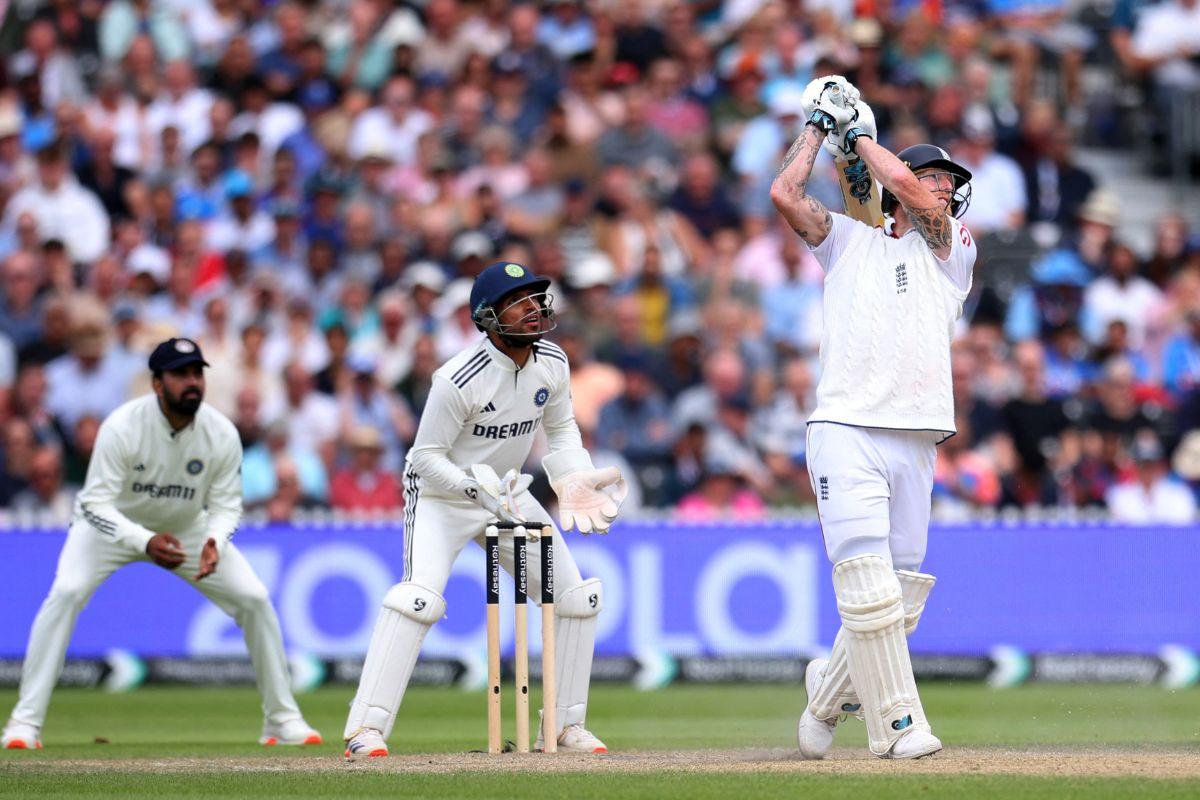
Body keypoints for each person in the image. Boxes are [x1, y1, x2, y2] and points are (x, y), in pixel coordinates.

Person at [770, 76, 978, 761]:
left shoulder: (953, 250)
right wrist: (817, 128)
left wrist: (857, 133)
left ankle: (827, 695)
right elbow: (785, 196)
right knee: (865, 584)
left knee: (903, 594)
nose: (943, 188)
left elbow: (915, 199)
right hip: (845, 428)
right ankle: (899, 726)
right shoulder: (847, 245)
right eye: (934, 177)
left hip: (917, 432)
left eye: (951, 180)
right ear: (890, 184)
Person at [343, 261, 626, 760]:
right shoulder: (457, 378)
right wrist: (476, 492)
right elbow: (422, 459)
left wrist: (571, 477)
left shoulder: (554, 362)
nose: (534, 309)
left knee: (577, 599)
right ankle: (366, 730)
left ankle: (562, 728)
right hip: (442, 496)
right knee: (417, 601)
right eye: (518, 301)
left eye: (537, 298)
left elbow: (560, 432)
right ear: (488, 317)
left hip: (510, 490)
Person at [1, 338, 321, 750]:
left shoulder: (221, 432)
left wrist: (215, 541)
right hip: (109, 528)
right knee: (65, 593)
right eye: (180, 374)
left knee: (254, 598)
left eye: (197, 373)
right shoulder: (122, 425)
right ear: (157, 384)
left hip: (186, 529)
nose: (192, 382)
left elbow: (226, 506)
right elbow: (95, 503)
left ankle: (281, 719)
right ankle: (24, 724)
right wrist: (145, 541)